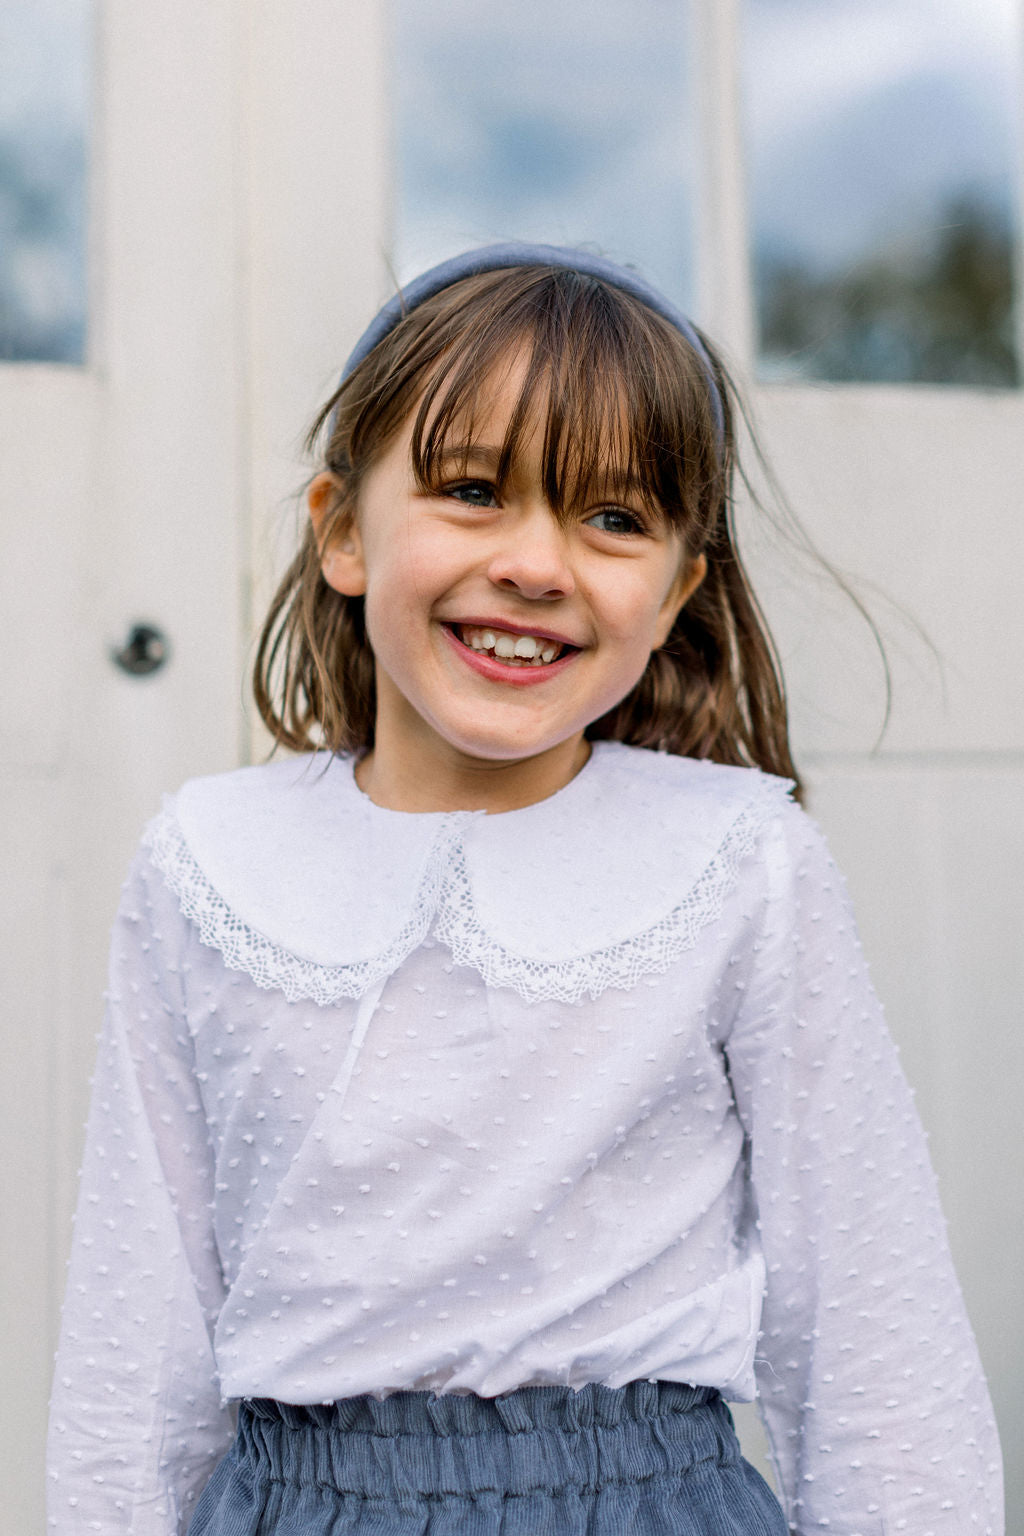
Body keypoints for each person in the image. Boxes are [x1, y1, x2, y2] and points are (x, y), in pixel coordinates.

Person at [47, 244, 1003, 1535]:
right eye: (474, 490)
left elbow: (871, 1328)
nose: (539, 563)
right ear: (341, 529)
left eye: (614, 518)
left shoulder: (740, 865)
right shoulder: (206, 864)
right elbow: (135, 1344)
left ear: (676, 594)